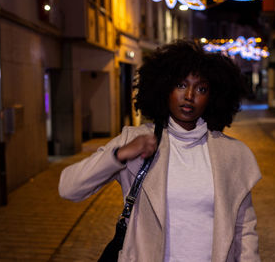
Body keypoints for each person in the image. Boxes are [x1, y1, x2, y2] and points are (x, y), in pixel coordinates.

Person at [59, 40, 261, 262]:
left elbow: (244, 230)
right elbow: (69, 188)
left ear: (213, 97)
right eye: (181, 85)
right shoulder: (135, 141)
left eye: (201, 88)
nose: (189, 95)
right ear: (165, 88)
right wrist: (119, 155)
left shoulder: (231, 154)